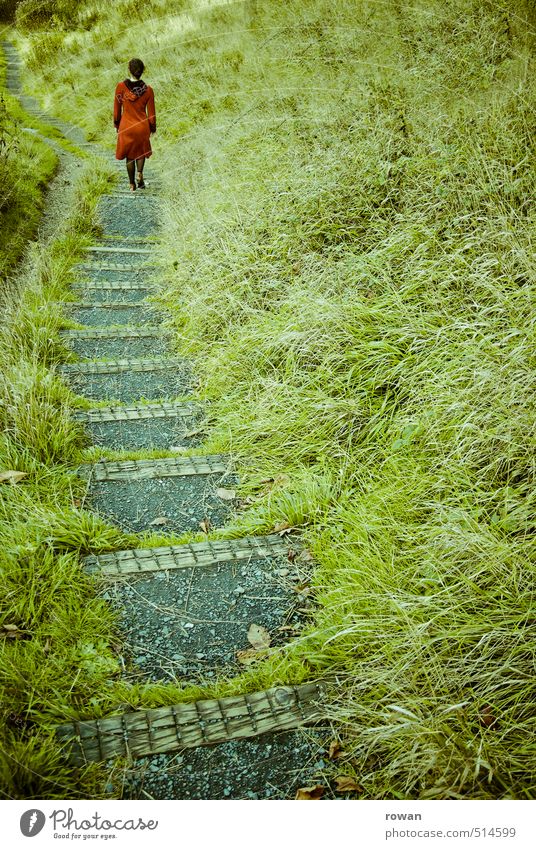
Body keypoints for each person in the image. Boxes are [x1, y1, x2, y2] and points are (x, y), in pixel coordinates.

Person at [114, 58, 156, 191]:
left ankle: (132, 184)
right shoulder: (148, 90)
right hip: (142, 127)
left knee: (129, 156)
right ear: (143, 71)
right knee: (140, 153)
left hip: (126, 126)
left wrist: (117, 124)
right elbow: (152, 115)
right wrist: (152, 127)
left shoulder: (120, 87)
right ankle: (140, 174)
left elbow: (116, 110)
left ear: (129, 70)